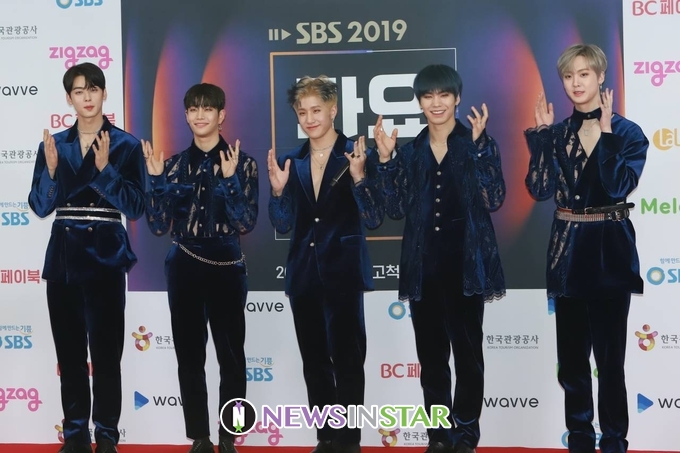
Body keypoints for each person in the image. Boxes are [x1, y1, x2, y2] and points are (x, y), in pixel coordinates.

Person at [372, 64, 506, 453]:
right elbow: (395, 208)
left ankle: (465, 437)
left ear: (457, 98)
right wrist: (386, 161)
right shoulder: (410, 151)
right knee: (431, 361)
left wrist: (481, 148)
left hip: (466, 268)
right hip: (423, 270)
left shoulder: (476, 143)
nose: (436, 103)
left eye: (443, 95)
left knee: (468, 358)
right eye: (428, 96)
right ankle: (439, 437)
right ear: (419, 102)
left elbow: (494, 198)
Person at [524, 44, 648, 453]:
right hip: (568, 252)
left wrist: (606, 136)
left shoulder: (628, 133)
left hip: (610, 252)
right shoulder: (558, 132)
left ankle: (614, 441)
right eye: (568, 76)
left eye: (584, 74)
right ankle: (579, 438)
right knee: (573, 362)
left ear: (600, 77)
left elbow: (619, 186)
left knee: (610, 363)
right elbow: (539, 188)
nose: (576, 83)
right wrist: (541, 138)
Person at [28, 62, 145, 453]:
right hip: (64, 260)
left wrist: (105, 170)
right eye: (79, 91)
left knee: (107, 356)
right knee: (71, 355)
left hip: (106, 258)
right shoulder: (55, 145)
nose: (87, 97)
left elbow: (136, 206)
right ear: (69, 99)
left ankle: (107, 435)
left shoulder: (126, 145)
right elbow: (39, 206)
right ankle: (76, 435)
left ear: (104, 93)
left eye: (93, 89)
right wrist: (50, 172)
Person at [267, 76, 384, 453]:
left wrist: (360, 179)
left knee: (349, 360)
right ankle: (327, 436)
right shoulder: (291, 160)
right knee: (314, 361)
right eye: (302, 112)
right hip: (303, 274)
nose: (309, 118)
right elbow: (282, 223)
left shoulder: (356, 153)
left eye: (316, 110)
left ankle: (349, 440)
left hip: (344, 272)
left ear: (333, 110)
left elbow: (375, 217)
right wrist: (278, 192)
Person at [143, 83, 258, 453]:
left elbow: (246, 222)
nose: (200, 115)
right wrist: (156, 182)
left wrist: (230, 181)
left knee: (231, 356)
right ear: (186, 114)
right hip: (184, 265)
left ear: (221, 115)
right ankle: (200, 437)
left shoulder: (244, 164)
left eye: (208, 108)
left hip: (226, 265)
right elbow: (157, 226)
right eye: (193, 109)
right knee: (190, 357)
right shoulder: (173, 166)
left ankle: (230, 435)